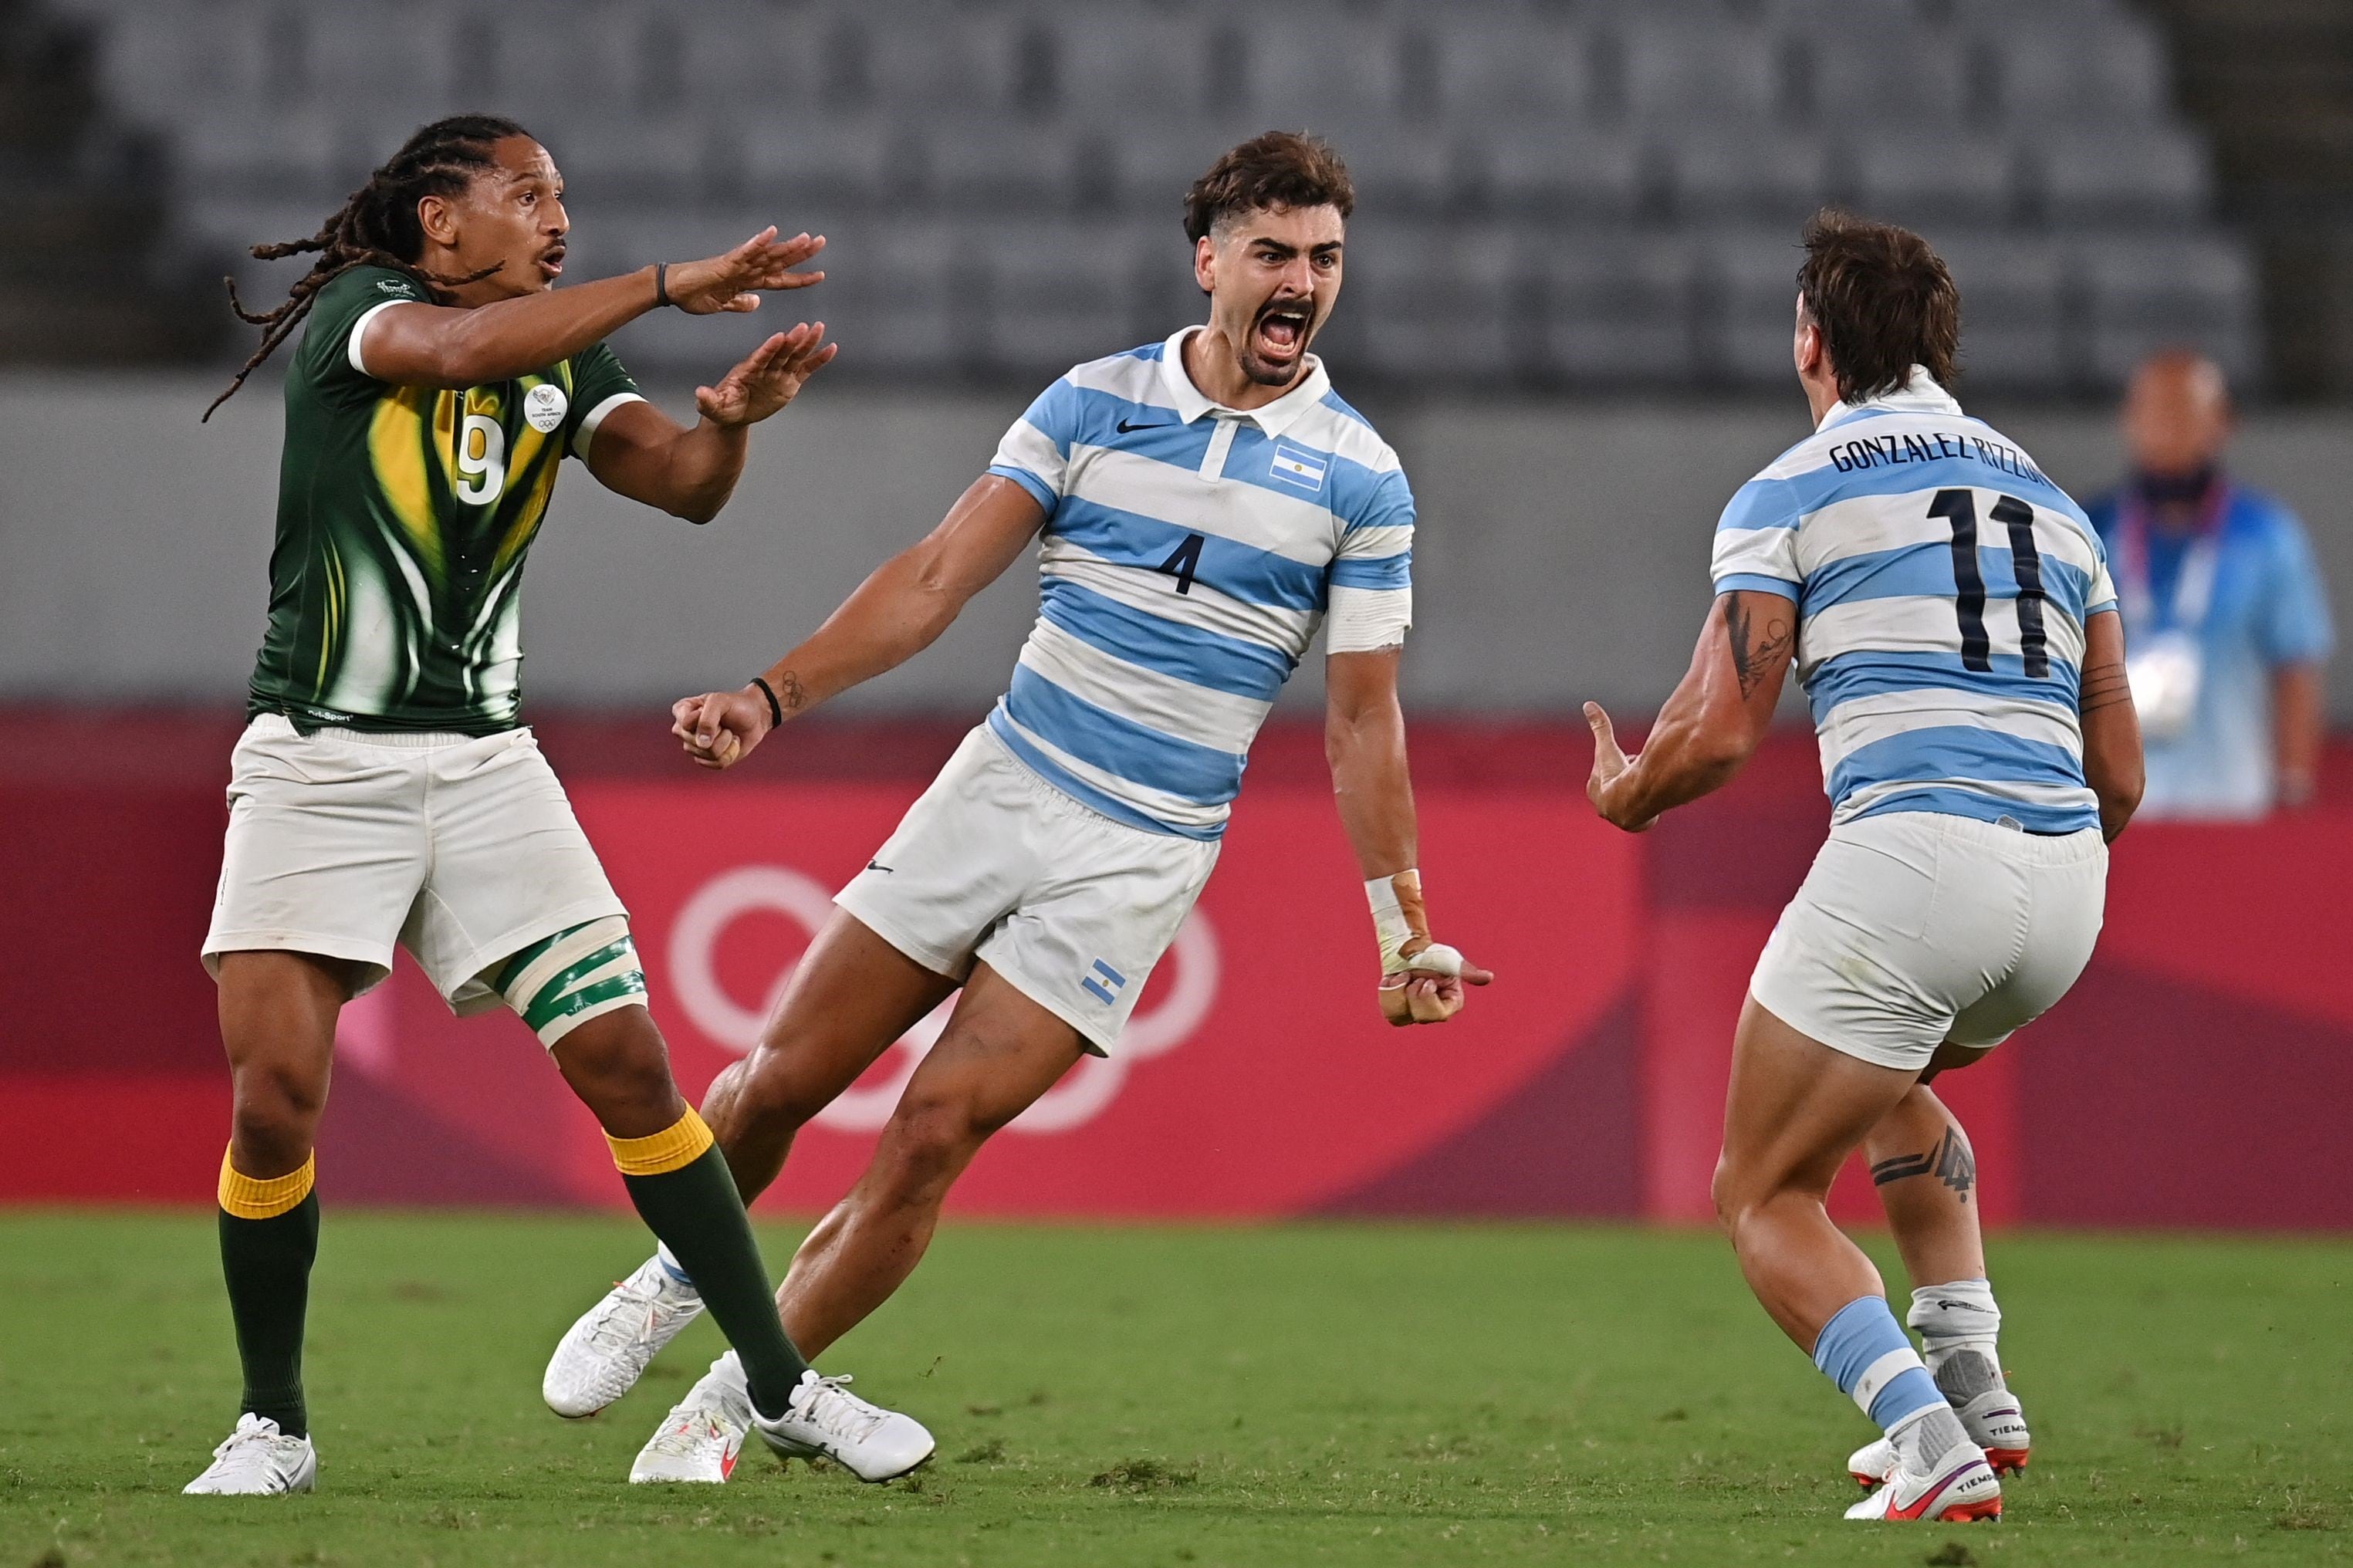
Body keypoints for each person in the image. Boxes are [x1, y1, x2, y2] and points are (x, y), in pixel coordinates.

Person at [539, 130, 1493, 1485]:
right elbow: (935, 580)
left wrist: (1401, 928)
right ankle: (668, 1280)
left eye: (1324, 258)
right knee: (773, 1086)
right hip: (1001, 788)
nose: (1301, 280)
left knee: (931, 1137)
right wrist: (770, 694)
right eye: (1273, 253)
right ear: (1209, 260)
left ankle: (725, 1408)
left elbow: (1359, 718)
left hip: (1138, 853)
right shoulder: (1092, 404)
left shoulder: (1357, 477)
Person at [188, 113, 929, 1495]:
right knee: (275, 1100)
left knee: (633, 1069)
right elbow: (460, 353)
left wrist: (726, 425)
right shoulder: (369, 313)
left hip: (482, 765)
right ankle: (272, 1425)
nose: (554, 218)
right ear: (439, 225)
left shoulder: (566, 357)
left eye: (563, 198)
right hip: (318, 761)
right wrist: (668, 282)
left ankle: (775, 1385)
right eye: (525, 196)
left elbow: (680, 489)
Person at [1580, 212, 2142, 1524]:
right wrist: (2025, 871)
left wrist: (1627, 797)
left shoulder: (1790, 488)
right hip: (2064, 887)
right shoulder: (2056, 510)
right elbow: (2116, 774)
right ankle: (1968, 1372)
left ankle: (1923, 1437)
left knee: (1759, 1190)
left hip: (1913, 863)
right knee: (1885, 1084)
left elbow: (1721, 729)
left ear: (1811, 342)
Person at [2084, 351, 2331, 819]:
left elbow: (2297, 665)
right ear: (2129, 422)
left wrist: (2293, 788)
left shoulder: (2267, 535)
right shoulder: (2090, 531)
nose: (2168, 430)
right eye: (2155, 413)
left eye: (2185, 414)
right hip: (2115, 815)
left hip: (2234, 803)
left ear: (2223, 423)